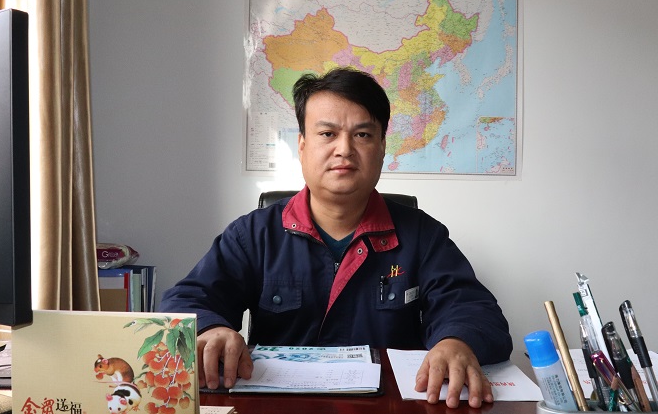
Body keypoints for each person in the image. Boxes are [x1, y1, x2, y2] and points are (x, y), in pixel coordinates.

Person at [160, 67, 512, 409]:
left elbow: (474, 309)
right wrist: (211, 329)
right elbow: (186, 301)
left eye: (363, 135)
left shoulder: (422, 236)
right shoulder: (254, 234)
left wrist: (456, 341)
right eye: (328, 134)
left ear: (382, 147)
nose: (344, 149)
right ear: (301, 145)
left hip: (389, 407)